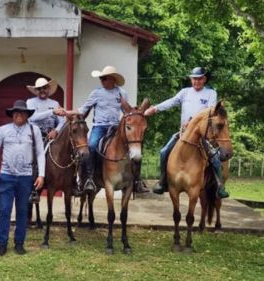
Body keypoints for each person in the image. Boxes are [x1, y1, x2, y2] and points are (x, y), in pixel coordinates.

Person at [144, 66, 229, 199]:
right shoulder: (185, 92)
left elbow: (211, 111)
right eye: (194, 79)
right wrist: (155, 108)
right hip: (183, 133)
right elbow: (171, 102)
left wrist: (193, 122)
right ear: (191, 79)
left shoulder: (211, 93)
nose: (196, 82)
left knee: (215, 157)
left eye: (199, 79)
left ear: (204, 79)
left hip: (202, 135)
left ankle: (220, 186)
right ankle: (162, 182)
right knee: (164, 152)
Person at [66, 66, 149, 194]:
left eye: (104, 78)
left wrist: (136, 112)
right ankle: (88, 179)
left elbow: (127, 113)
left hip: (116, 127)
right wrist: (66, 112)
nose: (102, 81)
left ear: (113, 79)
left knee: (135, 147)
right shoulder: (96, 93)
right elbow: (82, 110)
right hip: (99, 126)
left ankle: (136, 180)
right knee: (92, 147)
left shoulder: (122, 93)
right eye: (101, 78)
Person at [0, 100, 45, 256]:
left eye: (22, 112)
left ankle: (19, 243)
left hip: (26, 177)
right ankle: (2, 244)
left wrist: (41, 174)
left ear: (27, 115)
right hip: (6, 176)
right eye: (16, 112)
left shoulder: (34, 130)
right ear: (12, 114)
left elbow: (40, 153)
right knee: (4, 210)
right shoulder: (3, 130)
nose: (19, 115)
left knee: (22, 210)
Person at [26, 77, 65, 201]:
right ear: (36, 91)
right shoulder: (30, 102)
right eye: (39, 89)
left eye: (44, 88)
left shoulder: (54, 103)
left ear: (48, 89)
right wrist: (52, 112)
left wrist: (56, 130)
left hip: (52, 135)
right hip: (36, 135)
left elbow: (62, 121)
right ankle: (34, 189)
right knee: (35, 157)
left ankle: (73, 182)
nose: (42, 90)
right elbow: (32, 118)